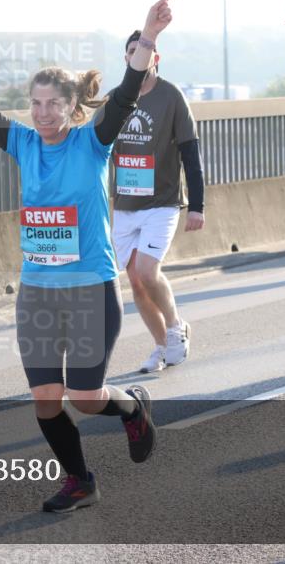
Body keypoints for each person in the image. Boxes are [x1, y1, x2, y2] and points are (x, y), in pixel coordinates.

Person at [0, 0, 176, 513]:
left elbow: (123, 94)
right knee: (46, 400)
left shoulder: (92, 141)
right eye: (36, 103)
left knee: (86, 398)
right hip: (39, 294)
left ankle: (131, 408)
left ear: (73, 108)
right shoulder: (23, 142)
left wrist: (149, 34)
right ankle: (81, 481)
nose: (44, 112)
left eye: (55, 104)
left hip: (91, 290)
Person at [94, 32, 205, 373]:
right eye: (131, 51)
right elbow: (94, 147)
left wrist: (197, 205)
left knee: (146, 269)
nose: (138, 56)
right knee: (135, 280)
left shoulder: (171, 97)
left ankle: (175, 326)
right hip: (125, 204)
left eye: (144, 50)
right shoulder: (114, 100)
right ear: (127, 59)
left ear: (155, 57)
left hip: (163, 201)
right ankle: (161, 346)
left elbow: (190, 152)